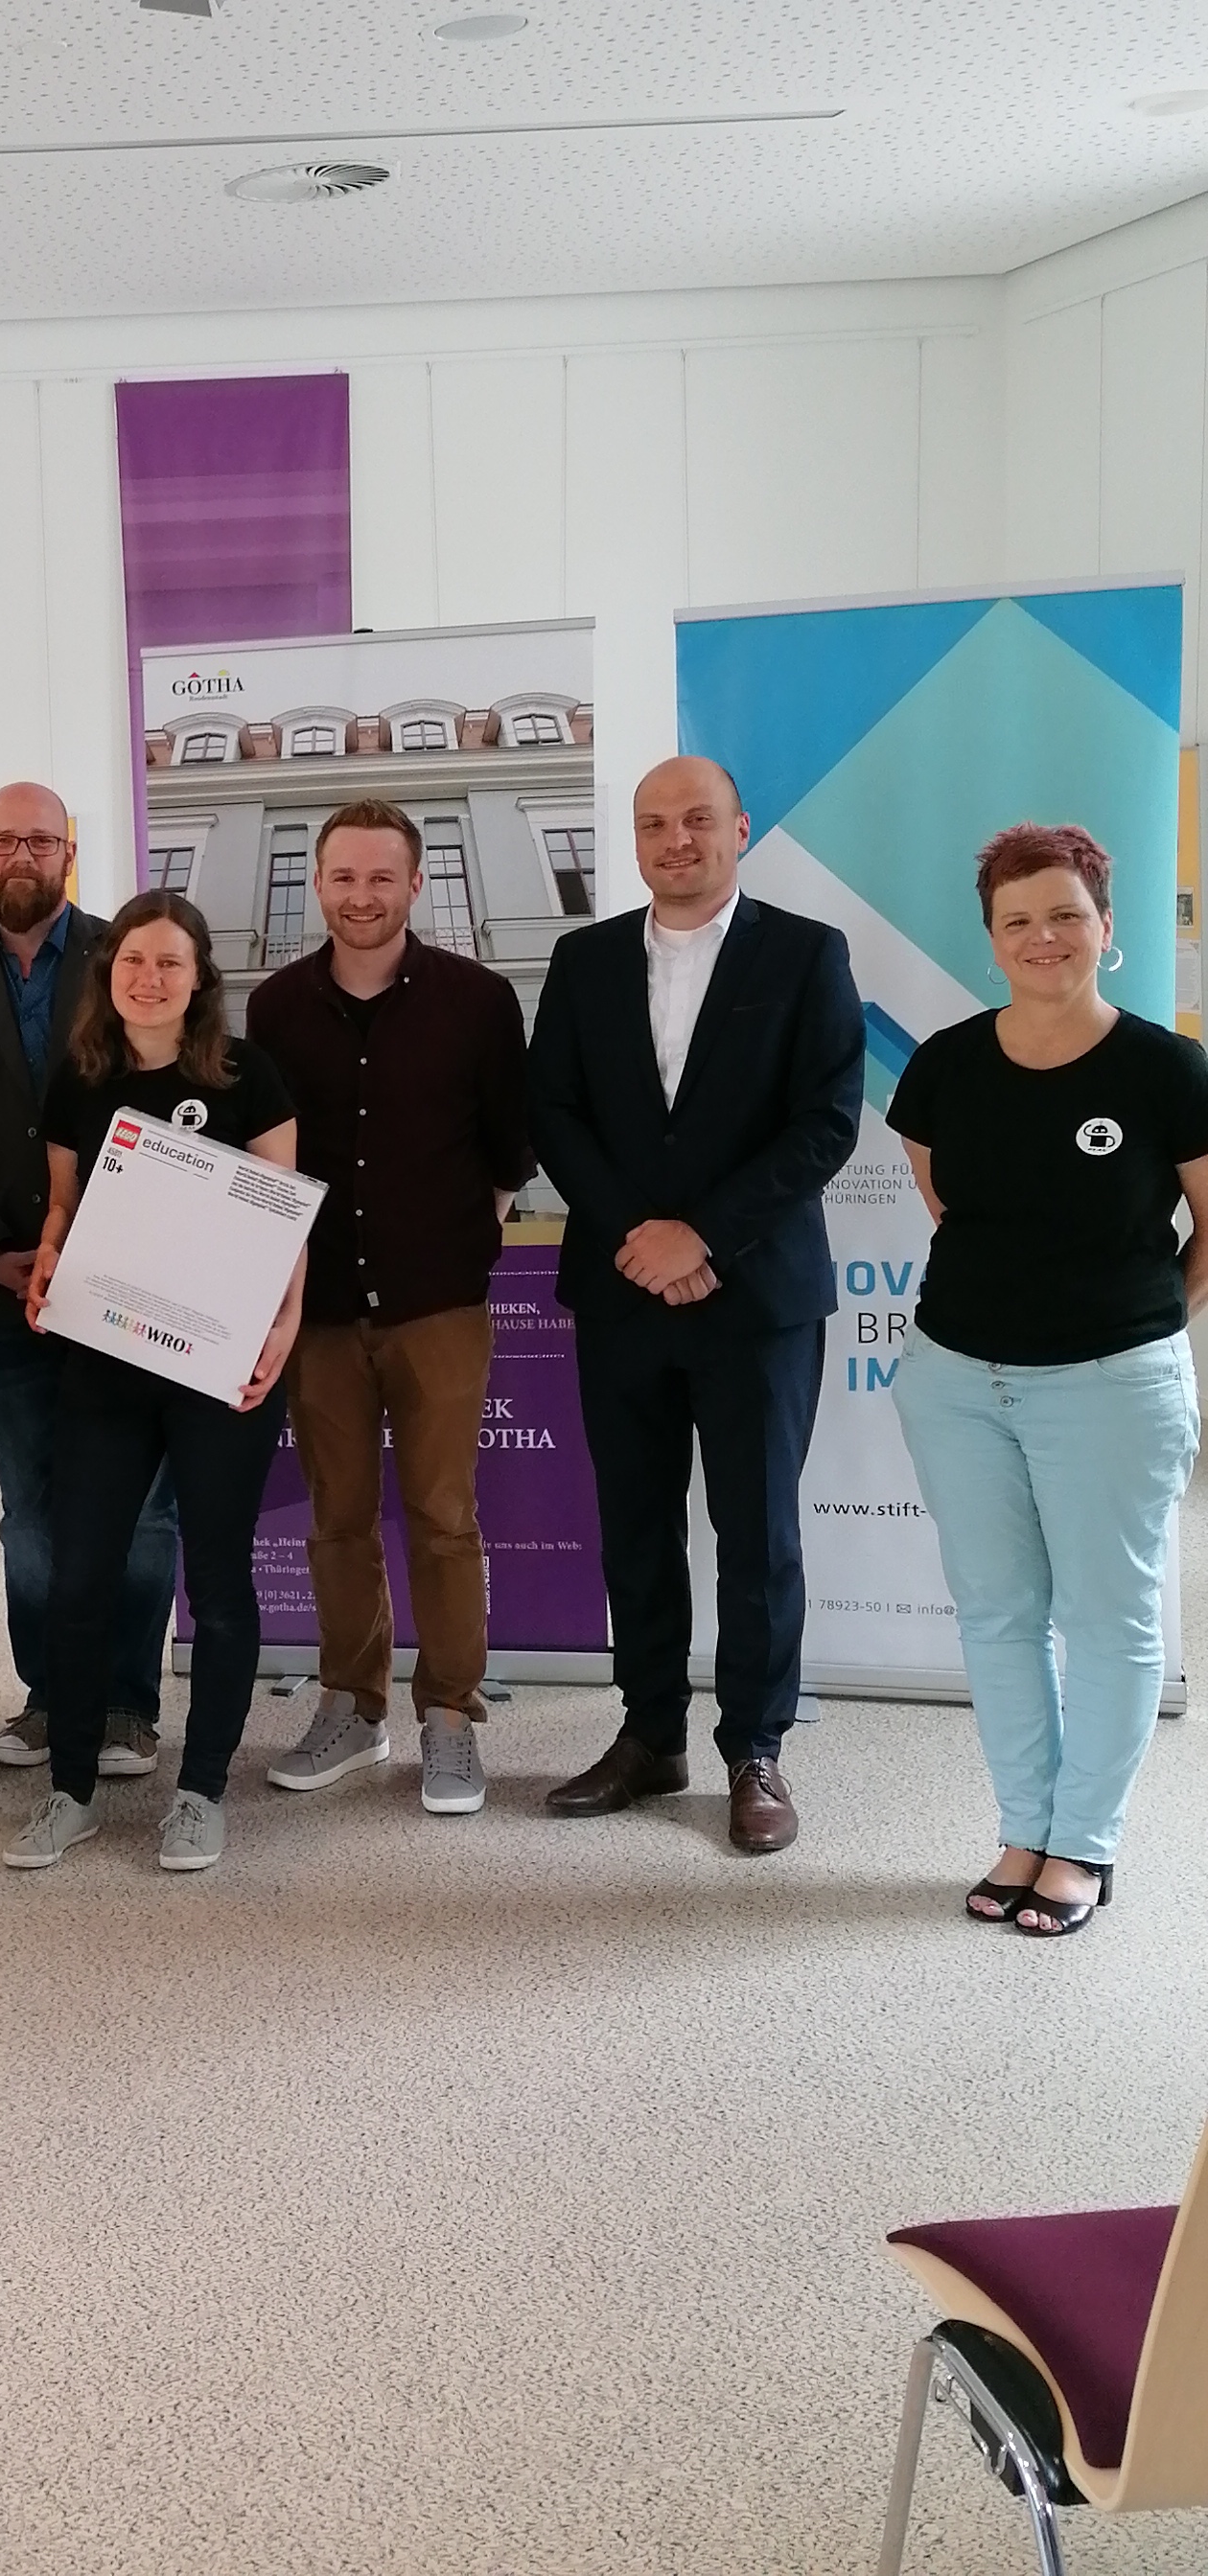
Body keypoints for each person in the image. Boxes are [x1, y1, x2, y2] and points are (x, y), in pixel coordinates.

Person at [526, 757, 861, 1854]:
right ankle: (649, 1733)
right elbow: (553, 1110)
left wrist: (703, 1235)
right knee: (636, 1523)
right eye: (653, 823)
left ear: (738, 829)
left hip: (754, 1295)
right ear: (633, 839)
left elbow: (825, 1121)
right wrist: (642, 1236)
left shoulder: (804, 953)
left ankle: (754, 1749)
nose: (675, 839)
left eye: (696, 820)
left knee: (756, 1534)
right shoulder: (582, 960)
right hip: (622, 1288)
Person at [887, 823, 1208, 1937]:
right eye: (1016, 919)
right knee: (997, 1613)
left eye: (1065, 914)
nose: (1042, 936)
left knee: (1109, 1618)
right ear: (990, 938)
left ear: (1105, 928)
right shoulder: (944, 1064)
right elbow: (948, 1202)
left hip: (1112, 1384)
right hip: (955, 1382)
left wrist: (1140, 1324)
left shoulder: (1167, 1070)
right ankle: (1024, 1827)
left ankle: (1083, 1842)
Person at [3, 892, 304, 1874]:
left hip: (219, 1367)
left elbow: (282, 1219)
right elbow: (63, 1206)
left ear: (200, 976)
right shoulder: (81, 1078)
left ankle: (201, 1792)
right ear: (110, 970)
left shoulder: (247, 1074)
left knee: (215, 1580)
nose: (149, 978)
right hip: (106, 1360)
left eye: (171, 962)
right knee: (79, 1576)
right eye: (134, 959)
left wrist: (286, 1323)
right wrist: (48, 1260)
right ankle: (71, 1792)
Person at [244, 798, 533, 1817]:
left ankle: (449, 1715)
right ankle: (351, 1706)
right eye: (343, 877)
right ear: (319, 885)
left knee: (445, 1517)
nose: (360, 896)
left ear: (416, 883)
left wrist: (455, 1241)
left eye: (380, 877)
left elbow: (509, 1150)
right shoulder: (274, 1008)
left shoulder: (478, 1000)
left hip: (437, 1304)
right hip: (319, 1306)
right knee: (337, 1519)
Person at [0, 781, 179, 1779]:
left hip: (122, 1286)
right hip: (0, 1291)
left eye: (40, 840)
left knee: (140, 1508)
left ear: (69, 852)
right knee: (29, 1511)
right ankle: (50, 1693)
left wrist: (92, 1250)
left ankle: (127, 1701)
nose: (21, 856)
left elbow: (166, 1109)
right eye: (2, 841)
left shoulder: (125, 959)